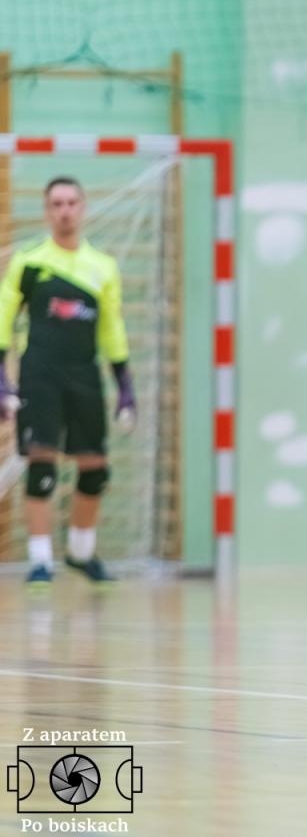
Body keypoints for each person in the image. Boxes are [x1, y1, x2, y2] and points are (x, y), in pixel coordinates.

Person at [0, 177, 136, 585]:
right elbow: (3, 321)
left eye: (72, 202)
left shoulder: (103, 266)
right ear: (46, 210)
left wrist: (125, 386)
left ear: (83, 207)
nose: (65, 210)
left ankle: (80, 552)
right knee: (41, 463)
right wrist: (2, 382)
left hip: (84, 374)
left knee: (95, 467)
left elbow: (112, 329)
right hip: (40, 374)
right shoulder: (29, 262)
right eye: (57, 203)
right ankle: (41, 561)